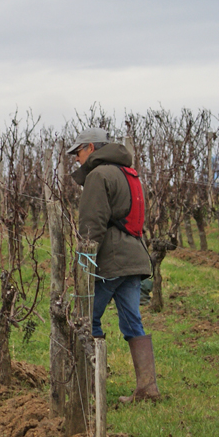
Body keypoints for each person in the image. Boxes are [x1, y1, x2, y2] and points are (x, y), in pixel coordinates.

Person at [69, 127, 160, 402]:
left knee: (88, 319)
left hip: (112, 260)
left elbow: (91, 225)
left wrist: (83, 262)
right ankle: (148, 388)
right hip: (135, 258)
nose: (76, 158)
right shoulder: (126, 172)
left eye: (78, 151)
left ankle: (91, 387)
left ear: (92, 149)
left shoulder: (98, 175)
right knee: (133, 322)